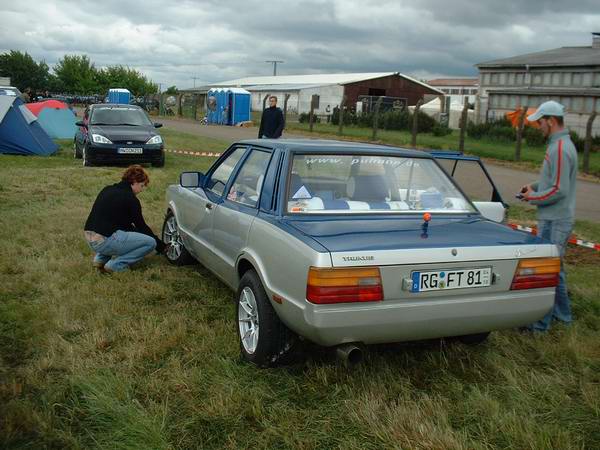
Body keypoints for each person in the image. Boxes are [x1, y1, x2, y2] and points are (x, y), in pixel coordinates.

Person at [519, 100, 578, 332]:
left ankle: (540, 325)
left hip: (556, 219)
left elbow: (559, 190)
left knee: (547, 271)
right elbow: (552, 181)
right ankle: (563, 318)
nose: (538, 127)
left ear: (551, 121)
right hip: (554, 217)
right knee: (556, 270)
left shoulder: (561, 148)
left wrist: (532, 197)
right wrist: (533, 186)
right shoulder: (559, 145)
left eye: (540, 122)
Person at [84, 165, 166, 273]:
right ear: (134, 181)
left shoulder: (107, 189)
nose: (142, 189)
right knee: (150, 243)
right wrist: (160, 246)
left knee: (114, 231)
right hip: (104, 241)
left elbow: (126, 226)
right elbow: (141, 226)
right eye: (142, 185)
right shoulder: (131, 199)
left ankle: (99, 261)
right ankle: (116, 265)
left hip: (89, 237)